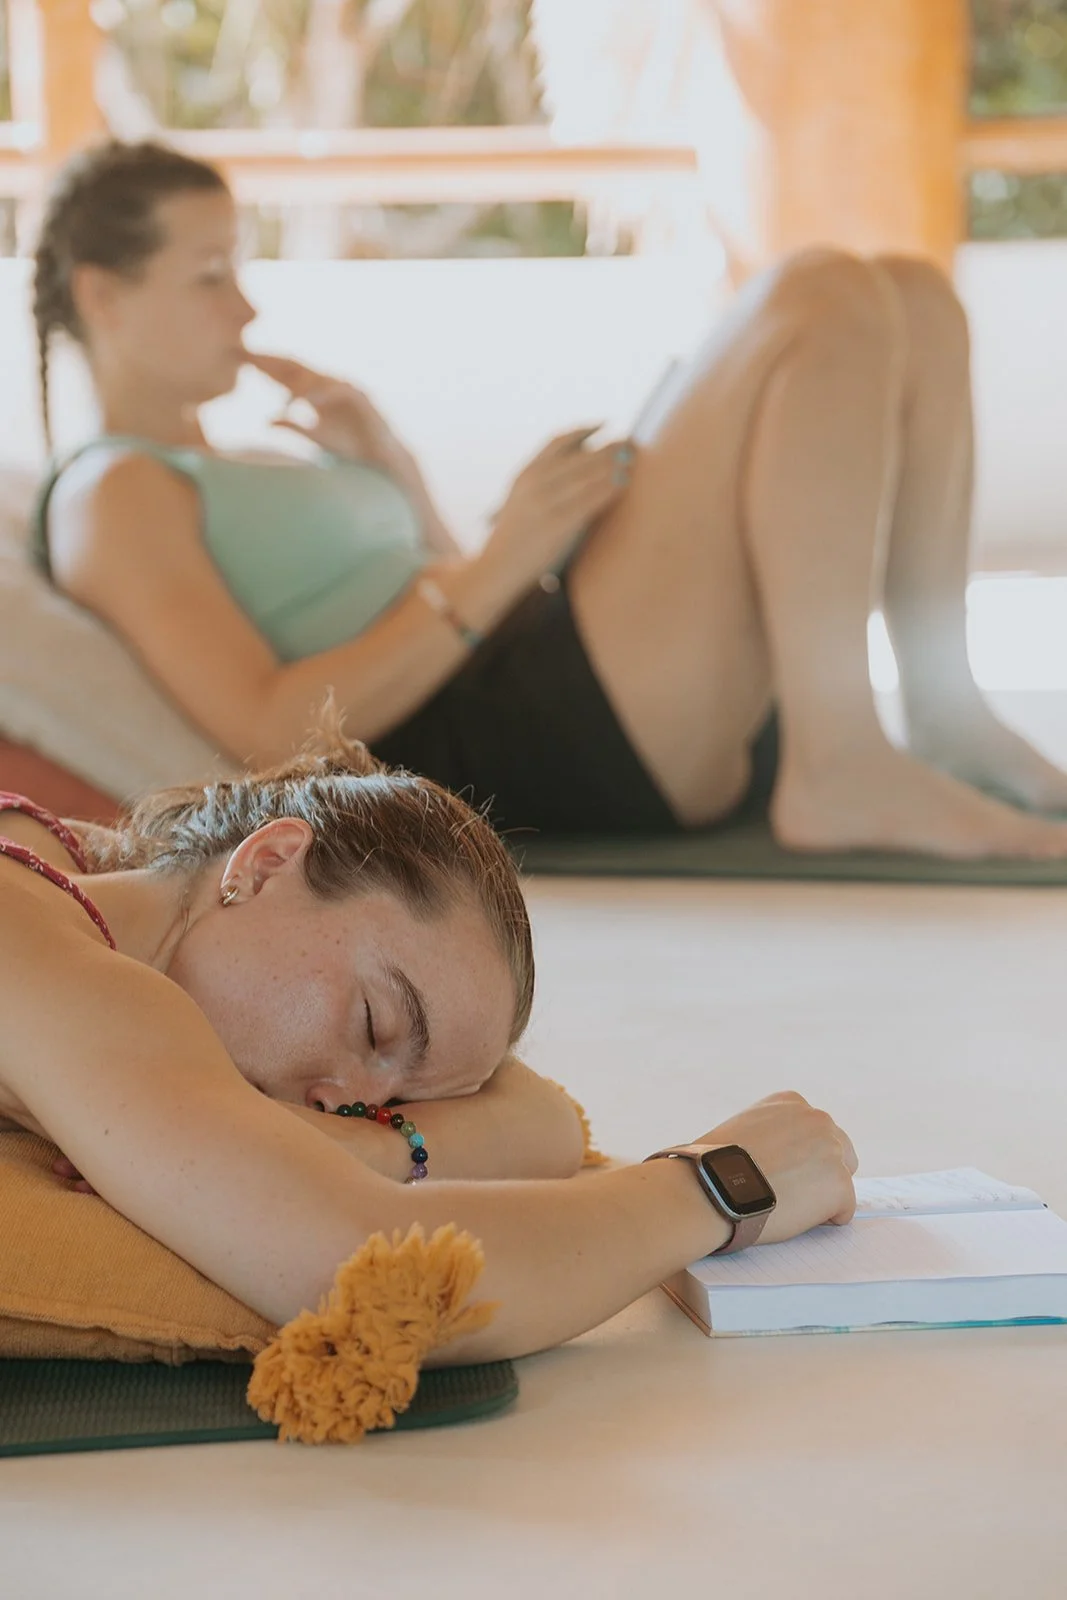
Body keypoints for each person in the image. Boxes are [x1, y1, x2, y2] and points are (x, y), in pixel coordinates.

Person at [30, 141, 1067, 861]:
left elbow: (447, 590)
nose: (245, 304)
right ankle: (839, 758)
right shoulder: (112, 491)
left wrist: (391, 469)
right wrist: (500, 559)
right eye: (209, 274)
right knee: (817, 293)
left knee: (911, 297)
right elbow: (267, 731)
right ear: (102, 294)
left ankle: (942, 709)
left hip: (542, 654)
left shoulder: (263, 456)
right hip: (505, 738)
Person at [0, 743, 857, 1359]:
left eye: (401, 1095)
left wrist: (384, 1143)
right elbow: (382, 1281)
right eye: (374, 1023)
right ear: (265, 864)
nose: (342, 1101)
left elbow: (539, 1111)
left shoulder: (86, 873)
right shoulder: (51, 958)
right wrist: (711, 1185)